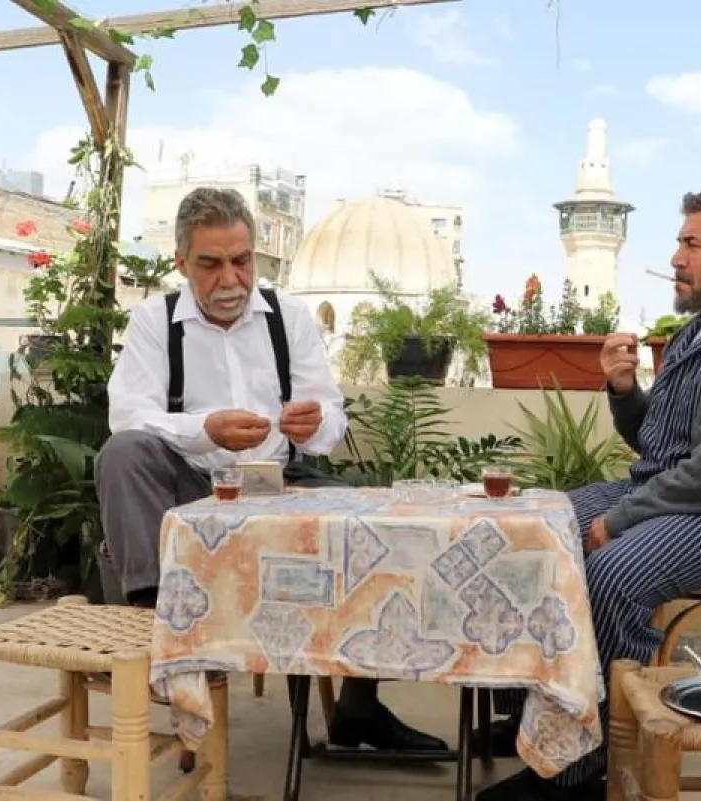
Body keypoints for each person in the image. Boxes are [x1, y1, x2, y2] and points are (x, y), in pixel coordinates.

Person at [477, 186, 701, 800]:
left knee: (612, 573)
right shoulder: (696, 333)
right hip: (667, 496)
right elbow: (658, 445)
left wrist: (622, 519)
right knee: (525, 531)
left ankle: (584, 771)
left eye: (692, 243)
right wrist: (624, 391)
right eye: (679, 242)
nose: (676, 257)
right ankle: (537, 719)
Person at [96, 186, 447, 754]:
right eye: (210, 264)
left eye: (241, 261)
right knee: (123, 454)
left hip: (280, 482)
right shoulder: (154, 321)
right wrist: (206, 429)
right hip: (190, 485)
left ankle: (359, 707)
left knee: (379, 525)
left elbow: (330, 415)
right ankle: (163, 631)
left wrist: (315, 424)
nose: (230, 279)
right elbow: (129, 415)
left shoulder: (290, 318)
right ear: (182, 263)